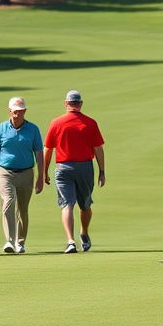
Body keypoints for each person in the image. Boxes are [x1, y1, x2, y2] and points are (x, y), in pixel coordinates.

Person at [43, 90, 105, 254]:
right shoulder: (90, 123)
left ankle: (73, 239)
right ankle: (79, 236)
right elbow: (98, 149)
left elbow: (48, 149)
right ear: (80, 104)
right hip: (84, 167)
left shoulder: (56, 123)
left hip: (63, 168)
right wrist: (102, 171)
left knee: (67, 205)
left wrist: (44, 171)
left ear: (66, 103)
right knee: (83, 204)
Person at [0, 97, 45, 253]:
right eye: (14, 112)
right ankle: (9, 240)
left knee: (22, 208)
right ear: (9, 111)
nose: (17, 115)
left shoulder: (33, 129)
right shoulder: (0, 129)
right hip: (4, 172)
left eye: (20, 112)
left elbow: (39, 153)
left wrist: (41, 176)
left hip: (26, 172)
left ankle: (20, 242)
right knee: (8, 201)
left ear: (24, 111)